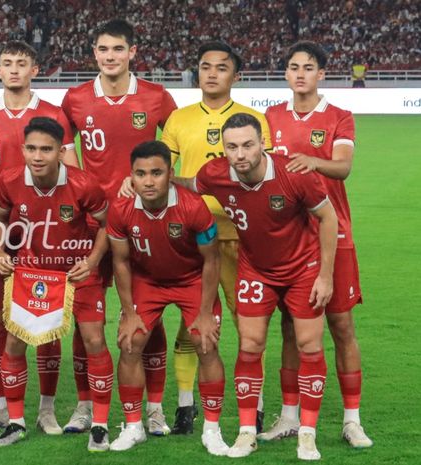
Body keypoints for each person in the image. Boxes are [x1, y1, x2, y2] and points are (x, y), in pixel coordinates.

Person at [189, 113, 338, 460]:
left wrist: (326, 275)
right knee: (250, 344)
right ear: (223, 149)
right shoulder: (214, 174)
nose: (240, 154)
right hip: (255, 270)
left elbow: (327, 217)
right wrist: (146, 182)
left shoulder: (294, 174)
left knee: (309, 345)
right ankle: (246, 433)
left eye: (247, 145)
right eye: (232, 147)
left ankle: (307, 433)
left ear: (263, 143)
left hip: (303, 269)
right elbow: (186, 184)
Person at [61, 18, 176, 435]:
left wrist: (149, 185)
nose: (110, 57)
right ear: (94, 54)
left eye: (117, 49)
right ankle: (85, 405)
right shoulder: (75, 98)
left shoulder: (155, 96)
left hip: (140, 221)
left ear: (132, 53)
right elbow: (60, 145)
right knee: (84, 319)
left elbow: (174, 146)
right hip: (88, 222)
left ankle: (155, 408)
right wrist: (82, 185)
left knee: (149, 316)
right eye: (103, 50)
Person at [154, 41, 271, 435]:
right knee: (192, 323)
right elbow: (163, 175)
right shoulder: (177, 119)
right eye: (205, 66)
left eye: (222, 68)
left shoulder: (254, 119)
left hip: (241, 235)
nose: (212, 73)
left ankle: (254, 406)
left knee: (248, 324)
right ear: (196, 72)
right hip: (189, 236)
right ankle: (186, 406)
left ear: (235, 75)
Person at [262, 41, 372, 449]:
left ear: (321, 74)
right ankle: (289, 417)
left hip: (335, 234)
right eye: (293, 67)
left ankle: (351, 419)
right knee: (290, 330)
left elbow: (342, 167)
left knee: (342, 327)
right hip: (288, 238)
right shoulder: (271, 116)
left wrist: (312, 161)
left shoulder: (339, 117)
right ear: (287, 74)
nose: (301, 74)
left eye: (309, 67)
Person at [0, 41, 78, 434]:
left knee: (48, 319)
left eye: (21, 64)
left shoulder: (52, 115)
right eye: (6, 64)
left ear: (35, 69)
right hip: (2, 231)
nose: (13, 70)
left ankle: (46, 409)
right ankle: (0, 405)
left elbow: (72, 169)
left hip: (48, 233)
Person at [0, 117, 113, 452]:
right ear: (22, 149)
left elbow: (107, 224)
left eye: (46, 149)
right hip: (31, 275)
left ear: (61, 151)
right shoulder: (9, 180)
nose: (38, 156)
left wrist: (92, 262)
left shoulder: (84, 183)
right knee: (15, 345)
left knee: (94, 339)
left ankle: (100, 425)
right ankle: (16, 422)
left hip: (76, 273)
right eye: (31, 148)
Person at [107, 141, 228, 455]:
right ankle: (134, 426)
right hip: (148, 281)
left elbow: (212, 260)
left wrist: (204, 312)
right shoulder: (120, 209)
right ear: (131, 176)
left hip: (192, 280)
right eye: (141, 173)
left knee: (205, 341)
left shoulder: (193, 206)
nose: (148, 181)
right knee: (130, 342)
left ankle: (212, 430)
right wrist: (128, 312)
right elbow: (120, 262)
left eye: (157, 173)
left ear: (170, 174)